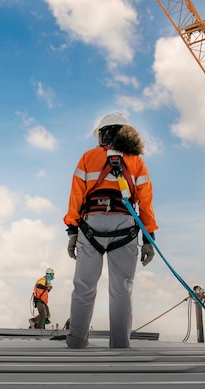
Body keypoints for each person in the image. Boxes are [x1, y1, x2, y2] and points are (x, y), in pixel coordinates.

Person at [64, 112, 158, 349]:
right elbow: (145, 202)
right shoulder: (136, 161)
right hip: (124, 227)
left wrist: (72, 230)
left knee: (84, 286)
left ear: (103, 134)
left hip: (91, 226)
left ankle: (76, 341)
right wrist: (149, 238)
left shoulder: (88, 157)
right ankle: (120, 345)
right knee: (122, 289)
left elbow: (76, 196)